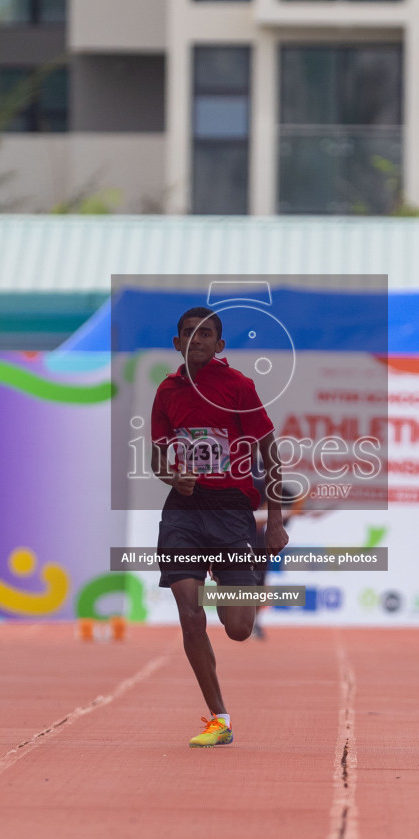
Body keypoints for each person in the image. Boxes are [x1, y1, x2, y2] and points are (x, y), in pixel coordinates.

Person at [150, 307, 287, 748]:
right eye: (188, 333)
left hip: (232, 512)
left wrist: (276, 522)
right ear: (177, 343)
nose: (197, 339)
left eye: (206, 334)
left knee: (238, 628)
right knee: (190, 615)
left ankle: (223, 578)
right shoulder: (167, 391)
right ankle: (219, 718)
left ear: (220, 345)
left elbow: (271, 453)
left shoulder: (237, 386)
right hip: (184, 511)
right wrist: (174, 477)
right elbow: (155, 458)